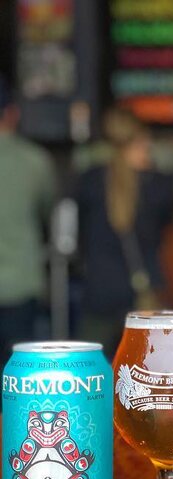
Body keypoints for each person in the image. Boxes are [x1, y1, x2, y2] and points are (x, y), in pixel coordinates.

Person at [75, 108, 173, 355]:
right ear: (139, 142)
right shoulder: (158, 186)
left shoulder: (89, 182)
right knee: (146, 367)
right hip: (141, 296)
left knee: (89, 364)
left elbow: (79, 238)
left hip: (99, 291)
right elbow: (162, 235)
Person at [0, 75, 57, 366]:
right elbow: (49, 212)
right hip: (21, 284)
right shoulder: (35, 161)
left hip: (20, 284)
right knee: (17, 371)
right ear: (12, 113)